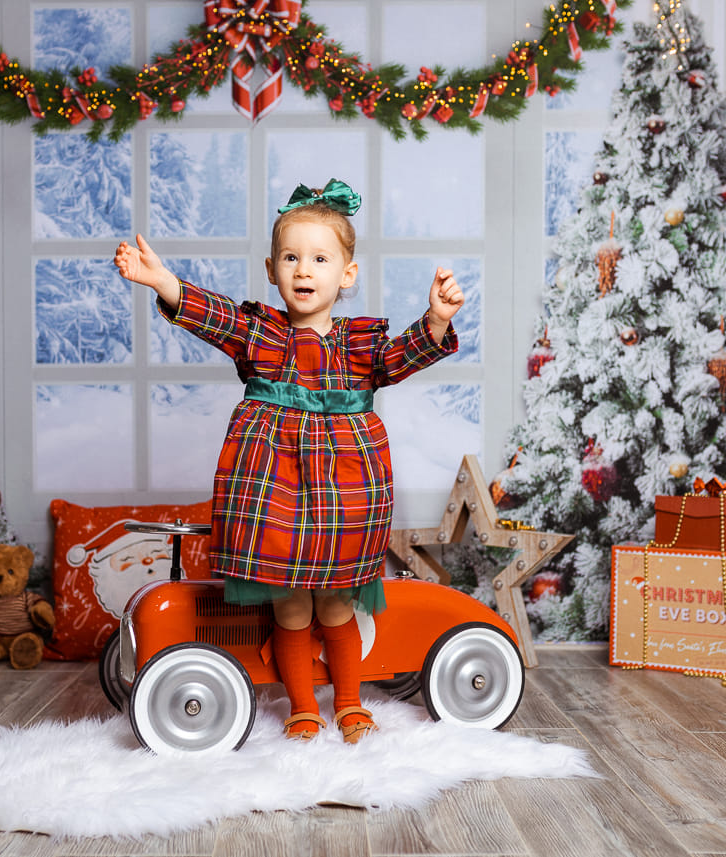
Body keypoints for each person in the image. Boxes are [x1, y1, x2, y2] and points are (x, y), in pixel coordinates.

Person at [113, 178, 464, 743]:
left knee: (336, 602)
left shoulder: (360, 344)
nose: (305, 270)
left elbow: (403, 357)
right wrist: (164, 282)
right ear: (273, 269)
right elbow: (215, 315)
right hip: (273, 483)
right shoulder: (260, 333)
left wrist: (438, 320)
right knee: (291, 606)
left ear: (345, 274)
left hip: (346, 486)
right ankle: (303, 706)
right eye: (292, 258)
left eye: (320, 258)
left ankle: (349, 703)